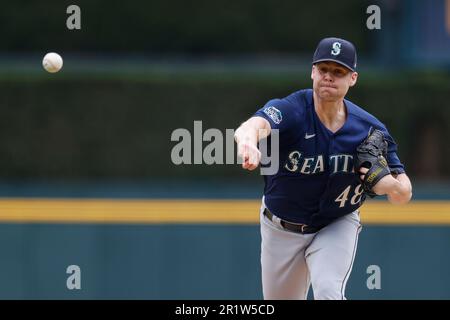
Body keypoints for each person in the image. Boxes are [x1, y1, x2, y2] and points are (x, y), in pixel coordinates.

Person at [234, 37, 412, 300]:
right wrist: (248, 143)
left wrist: (392, 186)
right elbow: (252, 125)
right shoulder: (293, 110)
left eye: (338, 71)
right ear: (312, 72)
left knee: (329, 292)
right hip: (281, 228)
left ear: (352, 78)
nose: (329, 77)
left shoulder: (369, 129)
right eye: (323, 69)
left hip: (336, 222)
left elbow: (404, 193)